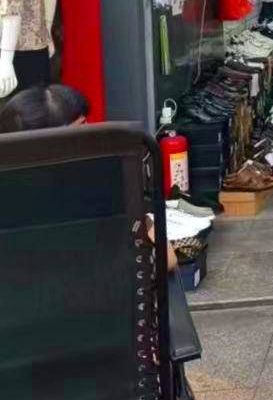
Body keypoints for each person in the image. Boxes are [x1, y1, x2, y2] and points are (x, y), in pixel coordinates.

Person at [0, 83, 178, 272]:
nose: (92, 132)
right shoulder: (104, 192)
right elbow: (167, 259)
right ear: (56, 144)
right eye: (83, 125)